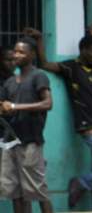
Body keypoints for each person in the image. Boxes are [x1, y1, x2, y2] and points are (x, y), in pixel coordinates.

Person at [27, 28, 92, 210]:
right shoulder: (71, 67)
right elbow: (45, 63)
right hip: (89, 128)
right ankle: (80, 183)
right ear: (83, 50)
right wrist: (40, 40)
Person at [0, 37, 53, 213]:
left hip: (31, 141)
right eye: (15, 51)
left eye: (21, 52)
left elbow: (47, 104)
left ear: (32, 54)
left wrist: (15, 107)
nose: (17, 55)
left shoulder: (38, 76)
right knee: (15, 192)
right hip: (10, 142)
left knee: (37, 190)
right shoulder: (9, 82)